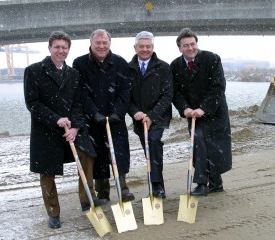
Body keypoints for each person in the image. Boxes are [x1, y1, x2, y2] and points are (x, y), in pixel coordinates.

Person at [24, 31, 108, 229]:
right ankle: (53, 212)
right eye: (57, 47)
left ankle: (87, 199)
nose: (61, 51)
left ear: (68, 49)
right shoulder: (34, 71)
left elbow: (78, 103)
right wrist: (55, 119)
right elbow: (33, 103)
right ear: (49, 48)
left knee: (88, 154)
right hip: (46, 130)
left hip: (71, 129)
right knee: (46, 171)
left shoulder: (73, 74)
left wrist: (77, 127)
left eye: (64, 47)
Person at [73, 29, 134, 202]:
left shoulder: (121, 63)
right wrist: (94, 113)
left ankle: (123, 189)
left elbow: (125, 91)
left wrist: (117, 112)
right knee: (97, 154)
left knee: (119, 153)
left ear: (109, 44)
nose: (101, 46)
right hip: (93, 120)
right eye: (97, 43)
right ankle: (103, 192)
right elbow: (81, 93)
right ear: (91, 44)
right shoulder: (80, 64)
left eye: (104, 43)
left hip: (116, 119)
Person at [171, 28, 232, 196]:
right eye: (186, 45)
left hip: (214, 110)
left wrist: (204, 108)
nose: (190, 48)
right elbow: (175, 92)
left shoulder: (211, 59)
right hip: (192, 114)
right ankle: (212, 183)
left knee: (212, 145)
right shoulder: (175, 65)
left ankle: (205, 183)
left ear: (197, 44)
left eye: (193, 44)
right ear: (179, 48)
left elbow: (218, 86)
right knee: (199, 142)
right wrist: (185, 109)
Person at [128, 31, 173, 198]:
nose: (145, 49)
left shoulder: (163, 67)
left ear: (153, 47)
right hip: (139, 118)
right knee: (149, 150)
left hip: (159, 117)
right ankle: (156, 184)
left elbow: (167, 95)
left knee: (153, 142)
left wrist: (152, 115)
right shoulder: (128, 68)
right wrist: (135, 112)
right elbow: (126, 96)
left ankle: (157, 186)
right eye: (141, 46)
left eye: (148, 46)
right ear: (135, 48)